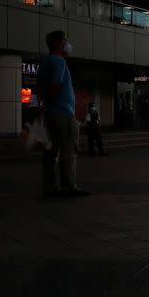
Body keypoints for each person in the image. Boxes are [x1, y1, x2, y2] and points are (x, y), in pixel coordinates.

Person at [37, 30, 89, 198]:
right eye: (66, 41)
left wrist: (46, 105)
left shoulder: (44, 63)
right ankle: (69, 186)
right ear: (58, 43)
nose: (68, 44)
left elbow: (42, 89)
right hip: (63, 113)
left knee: (50, 152)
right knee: (69, 149)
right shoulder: (59, 62)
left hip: (51, 113)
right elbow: (56, 84)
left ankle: (50, 188)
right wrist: (52, 101)